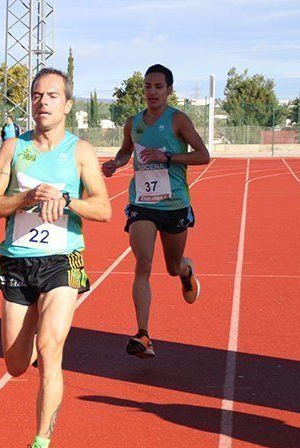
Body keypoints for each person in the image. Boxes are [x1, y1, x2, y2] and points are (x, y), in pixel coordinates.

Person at [0, 68, 111, 448]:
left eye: (52, 95)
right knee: (16, 365)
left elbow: (104, 209)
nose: (42, 102)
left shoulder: (81, 152)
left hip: (63, 260)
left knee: (50, 348)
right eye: (37, 95)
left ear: (67, 104)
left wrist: (67, 200)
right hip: (18, 262)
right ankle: (33, 329)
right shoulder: (12, 149)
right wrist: (26, 197)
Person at [101, 64, 210, 358]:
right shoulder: (133, 123)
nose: (152, 92)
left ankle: (186, 272)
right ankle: (143, 334)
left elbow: (204, 155)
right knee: (143, 263)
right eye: (148, 87)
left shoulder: (179, 120)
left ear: (169, 90)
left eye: (158, 87)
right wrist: (116, 163)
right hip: (142, 204)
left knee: (172, 267)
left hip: (174, 204)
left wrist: (169, 156)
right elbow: (126, 151)